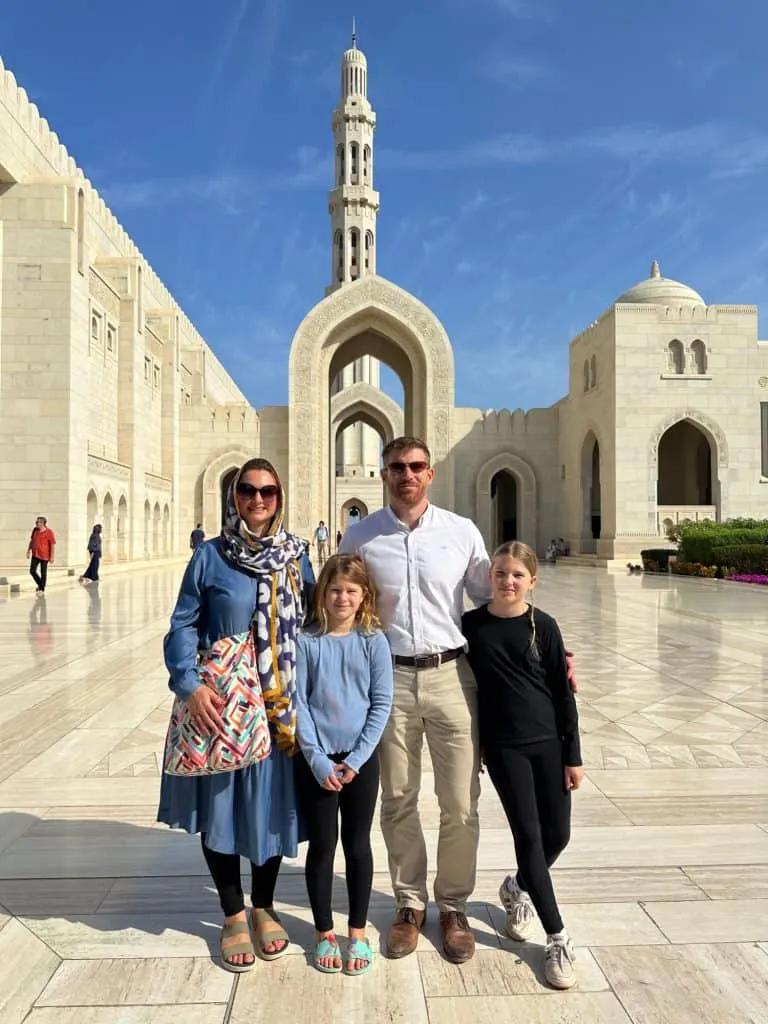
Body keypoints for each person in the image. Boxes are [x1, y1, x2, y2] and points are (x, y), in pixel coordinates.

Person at [340, 435, 577, 964]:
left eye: (417, 466)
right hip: (390, 681)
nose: (407, 475)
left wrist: (550, 647)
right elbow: (344, 605)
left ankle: (452, 906)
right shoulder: (361, 536)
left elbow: (498, 598)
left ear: (430, 475)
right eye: (397, 466)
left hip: (452, 677)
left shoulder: (460, 532)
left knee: (460, 803)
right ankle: (408, 903)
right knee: (398, 798)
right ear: (384, 474)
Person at [157, 457, 314, 973]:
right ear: (234, 495)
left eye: (268, 491)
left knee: (267, 807)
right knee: (222, 808)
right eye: (247, 490)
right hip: (222, 702)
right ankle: (231, 912)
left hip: (274, 705)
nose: (258, 500)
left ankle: (264, 904)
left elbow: (319, 623)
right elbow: (183, 623)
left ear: (280, 496)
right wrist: (189, 682)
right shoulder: (210, 556)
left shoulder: (296, 558)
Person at [462, 541, 583, 989]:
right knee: (529, 837)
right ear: (488, 577)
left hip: (549, 745)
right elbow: (462, 689)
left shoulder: (544, 626)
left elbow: (562, 692)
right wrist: (473, 746)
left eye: (517, 575)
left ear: (532, 580)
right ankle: (557, 937)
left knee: (558, 835)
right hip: (504, 750)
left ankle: (517, 887)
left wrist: (573, 755)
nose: (507, 581)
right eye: (500, 573)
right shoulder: (471, 627)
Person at [295, 553, 393, 975]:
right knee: (322, 846)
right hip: (318, 762)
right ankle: (322, 932)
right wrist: (317, 760)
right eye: (334, 589)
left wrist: (356, 759)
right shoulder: (307, 641)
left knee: (357, 845)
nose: (342, 598)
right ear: (322, 593)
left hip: (360, 761)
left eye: (351, 591)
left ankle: (357, 930)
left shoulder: (374, 641)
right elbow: (298, 702)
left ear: (364, 596)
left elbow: (381, 702)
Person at [27, 516, 56, 594]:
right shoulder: (35, 531)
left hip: (45, 556)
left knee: (43, 572)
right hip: (35, 554)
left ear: (43, 523)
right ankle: (41, 585)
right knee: (32, 571)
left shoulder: (49, 532)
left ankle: (41, 589)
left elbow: (52, 544)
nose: (37, 523)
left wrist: (52, 557)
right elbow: (32, 541)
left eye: (39, 522)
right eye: (36, 522)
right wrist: (28, 551)